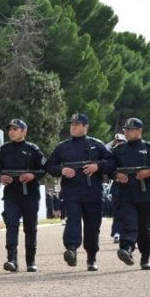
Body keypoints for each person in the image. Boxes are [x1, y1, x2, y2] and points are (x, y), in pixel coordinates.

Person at [45, 113, 115, 271]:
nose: (73, 127)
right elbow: (49, 165)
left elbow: (111, 163)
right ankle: (71, 250)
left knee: (92, 226)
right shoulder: (63, 147)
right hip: (71, 191)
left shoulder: (96, 145)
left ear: (85, 127)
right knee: (73, 221)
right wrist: (62, 170)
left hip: (93, 192)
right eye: (72, 124)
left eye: (77, 124)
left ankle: (92, 258)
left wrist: (97, 166)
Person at [111, 118, 150, 270]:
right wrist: (116, 175)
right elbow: (107, 168)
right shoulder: (118, 150)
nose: (127, 132)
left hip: (146, 194)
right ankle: (127, 249)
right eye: (125, 129)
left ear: (139, 130)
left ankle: (145, 257)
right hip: (126, 194)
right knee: (129, 223)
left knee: (144, 228)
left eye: (130, 129)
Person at [0, 119, 46, 272]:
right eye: (10, 129)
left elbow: (45, 168)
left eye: (15, 129)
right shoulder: (4, 149)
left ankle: (31, 261)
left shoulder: (33, 149)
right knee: (11, 225)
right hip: (11, 194)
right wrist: (1, 177)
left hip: (30, 194)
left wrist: (32, 175)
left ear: (24, 132)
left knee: (30, 228)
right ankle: (11, 260)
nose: (11, 132)